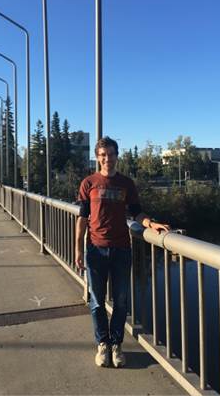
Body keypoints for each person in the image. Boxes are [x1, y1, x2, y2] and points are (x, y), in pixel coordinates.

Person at [73, 137, 170, 368]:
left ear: (117, 156)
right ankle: (102, 344)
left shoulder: (126, 183)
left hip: (121, 249)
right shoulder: (89, 183)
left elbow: (136, 213)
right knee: (96, 302)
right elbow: (82, 218)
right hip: (95, 249)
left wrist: (150, 224)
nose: (108, 159)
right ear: (98, 157)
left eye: (112, 154)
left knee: (121, 301)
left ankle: (117, 345)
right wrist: (77, 248)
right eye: (103, 155)